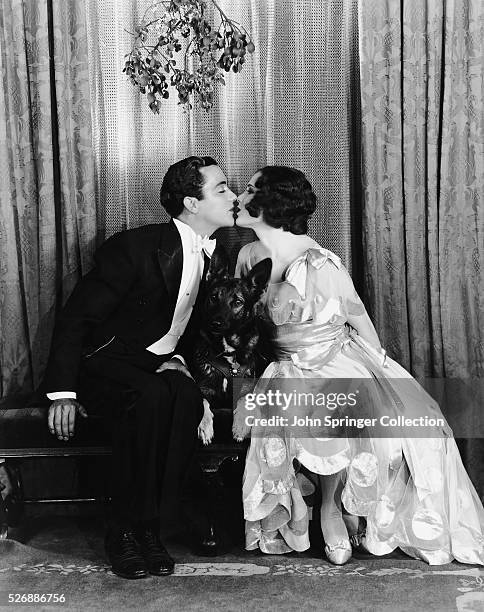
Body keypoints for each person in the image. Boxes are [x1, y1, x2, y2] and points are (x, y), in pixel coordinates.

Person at [233, 165, 484, 566]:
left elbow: (359, 319)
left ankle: (333, 511)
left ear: (272, 205)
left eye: (249, 190)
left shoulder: (321, 264)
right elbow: (240, 320)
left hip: (334, 358)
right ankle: (299, 509)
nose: (238, 198)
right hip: (282, 364)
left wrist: (382, 373)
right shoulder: (248, 256)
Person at [42, 156, 237, 579]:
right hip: (103, 364)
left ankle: (150, 529)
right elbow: (77, 319)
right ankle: (122, 532)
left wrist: (180, 361)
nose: (233, 196)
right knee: (151, 395)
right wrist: (63, 392)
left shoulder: (215, 253)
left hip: (153, 366)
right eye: (222, 188)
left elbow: (185, 325)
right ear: (191, 202)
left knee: (183, 396)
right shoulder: (135, 247)